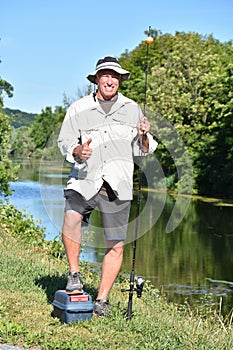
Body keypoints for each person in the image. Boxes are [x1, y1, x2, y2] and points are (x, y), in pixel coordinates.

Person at [57, 56, 158, 317]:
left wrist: (144, 135)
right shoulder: (78, 108)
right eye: (105, 75)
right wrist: (78, 150)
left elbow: (143, 150)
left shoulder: (132, 108)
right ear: (97, 79)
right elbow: (64, 142)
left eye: (115, 76)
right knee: (71, 218)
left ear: (120, 80)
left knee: (116, 244)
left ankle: (101, 301)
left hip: (119, 182)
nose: (110, 80)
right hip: (84, 178)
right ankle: (74, 274)